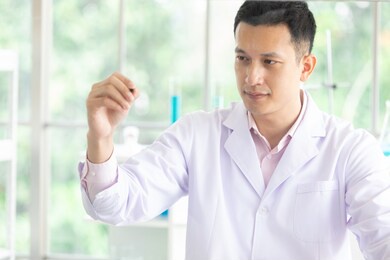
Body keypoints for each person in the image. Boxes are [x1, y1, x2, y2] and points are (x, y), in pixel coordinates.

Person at [79, 1, 390, 259]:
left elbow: (383, 239)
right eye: (243, 58)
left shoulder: (350, 150)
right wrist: (101, 135)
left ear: (305, 67)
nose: (251, 77)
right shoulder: (198, 134)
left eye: (269, 62)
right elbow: (113, 206)